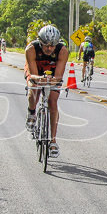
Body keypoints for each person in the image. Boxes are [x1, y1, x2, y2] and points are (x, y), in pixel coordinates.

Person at [24, 25, 69, 157]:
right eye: (46, 45)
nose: (49, 49)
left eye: (52, 45)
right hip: (36, 71)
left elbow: (59, 76)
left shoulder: (62, 50)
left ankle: (53, 141)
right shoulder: (31, 49)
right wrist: (40, 79)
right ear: (40, 42)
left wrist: (53, 80)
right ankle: (31, 113)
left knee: (53, 102)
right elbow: (33, 75)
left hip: (53, 72)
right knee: (34, 91)